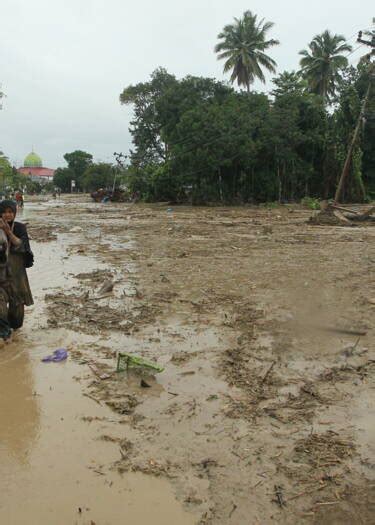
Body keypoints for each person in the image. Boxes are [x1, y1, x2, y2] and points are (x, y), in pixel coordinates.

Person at [0, 200, 34, 340]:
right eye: (4, 212)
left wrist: (8, 232)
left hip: (17, 276)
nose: (7, 215)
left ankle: (12, 332)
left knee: (17, 321)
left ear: (14, 213)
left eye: (10, 212)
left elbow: (23, 246)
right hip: (1, 276)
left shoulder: (20, 228)